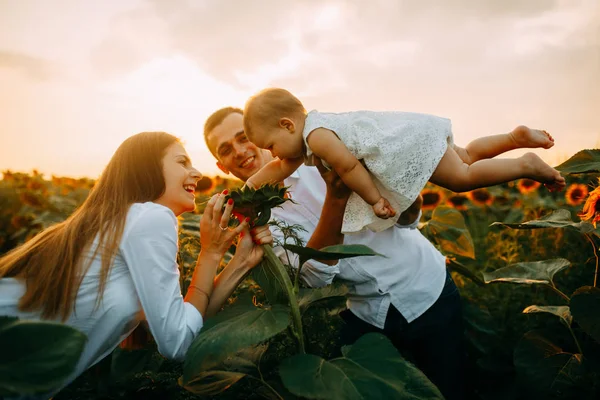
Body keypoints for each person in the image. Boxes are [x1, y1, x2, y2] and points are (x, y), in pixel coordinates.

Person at [204, 107, 466, 400]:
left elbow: (406, 221)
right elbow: (314, 277)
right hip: (367, 310)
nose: (239, 151)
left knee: (450, 386)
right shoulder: (252, 219)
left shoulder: (324, 153)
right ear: (221, 166)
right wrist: (337, 198)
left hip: (426, 288)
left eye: (243, 138)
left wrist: (404, 196)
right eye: (226, 150)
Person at [0, 131, 272, 399]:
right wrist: (210, 254)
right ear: (147, 169)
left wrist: (239, 263)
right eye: (182, 162)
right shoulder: (151, 217)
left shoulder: (120, 221)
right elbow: (178, 341)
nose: (197, 172)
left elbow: (184, 322)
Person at [243, 88, 566, 233]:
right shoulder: (306, 136)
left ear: (287, 124)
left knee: (462, 177)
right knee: (465, 156)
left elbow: (349, 167)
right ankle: (513, 137)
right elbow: (278, 168)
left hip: (406, 145)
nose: (272, 153)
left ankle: (526, 164)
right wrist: (244, 189)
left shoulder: (317, 136)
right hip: (412, 131)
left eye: (270, 144)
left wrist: (376, 200)